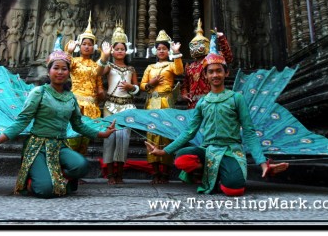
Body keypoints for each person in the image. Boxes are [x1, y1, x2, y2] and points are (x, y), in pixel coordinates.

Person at [0, 39, 116, 198]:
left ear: (69, 73)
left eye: (64, 69)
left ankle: (56, 177)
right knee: (45, 191)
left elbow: (78, 125)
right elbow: (22, 121)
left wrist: (103, 134)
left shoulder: (70, 97)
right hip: (38, 146)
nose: (60, 72)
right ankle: (39, 180)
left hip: (60, 145)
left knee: (81, 166)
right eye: (56, 68)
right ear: (49, 71)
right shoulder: (39, 92)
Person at [145, 40, 288, 196]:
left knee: (234, 190)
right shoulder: (202, 103)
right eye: (211, 72)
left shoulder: (236, 98)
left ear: (226, 73)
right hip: (209, 150)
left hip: (231, 150)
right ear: (205, 75)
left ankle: (222, 172)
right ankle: (208, 169)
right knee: (181, 158)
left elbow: (249, 132)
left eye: (218, 71)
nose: (215, 75)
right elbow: (189, 132)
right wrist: (164, 151)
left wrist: (262, 163)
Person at [96, 20, 139, 185]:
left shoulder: (131, 69)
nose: (120, 51)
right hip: (110, 105)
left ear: (126, 51)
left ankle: (120, 173)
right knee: (110, 139)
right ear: (113, 50)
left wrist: (130, 87)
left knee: (123, 139)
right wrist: (104, 57)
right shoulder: (109, 66)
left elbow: (137, 89)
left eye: (122, 49)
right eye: (117, 49)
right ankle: (110, 174)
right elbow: (98, 73)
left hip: (127, 105)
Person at [140, 30, 183, 184]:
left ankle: (165, 171)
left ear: (168, 50)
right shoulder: (150, 67)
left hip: (166, 102)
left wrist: (177, 53)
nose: (161, 51)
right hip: (152, 102)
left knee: (166, 134)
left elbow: (180, 71)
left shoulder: (171, 65)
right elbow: (142, 85)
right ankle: (155, 171)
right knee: (151, 134)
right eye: (159, 49)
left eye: (164, 48)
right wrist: (151, 84)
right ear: (155, 51)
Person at [65, 12, 105, 158]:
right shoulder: (74, 61)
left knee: (84, 140)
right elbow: (64, 66)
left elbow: (98, 81)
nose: (87, 47)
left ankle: (77, 172)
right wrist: (68, 52)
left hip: (90, 105)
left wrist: (101, 93)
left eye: (90, 45)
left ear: (93, 47)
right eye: (84, 44)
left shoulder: (95, 65)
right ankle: (68, 169)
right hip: (76, 103)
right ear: (79, 46)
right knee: (72, 138)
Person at [181, 19, 233, 109]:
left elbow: (228, 58)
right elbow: (185, 84)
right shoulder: (190, 67)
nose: (196, 48)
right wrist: (184, 94)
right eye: (194, 45)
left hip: (210, 101)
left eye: (199, 45)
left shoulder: (211, 60)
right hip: (193, 104)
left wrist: (221, 39)